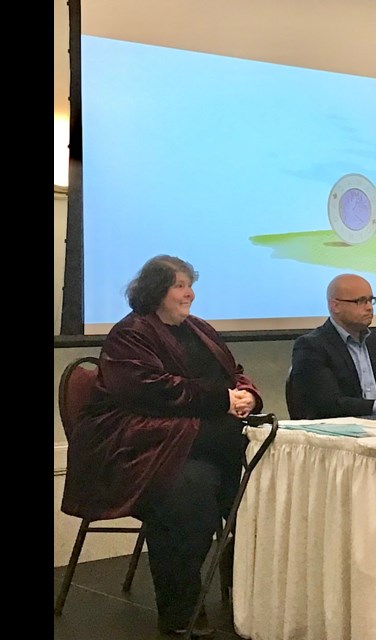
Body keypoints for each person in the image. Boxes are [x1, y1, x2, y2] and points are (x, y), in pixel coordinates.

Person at [60, 255, 263, 638]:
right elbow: (147, 391)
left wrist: (246, 395)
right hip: (138, 443)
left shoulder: (199, 328)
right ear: (157, 291)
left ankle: (247, 586)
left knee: (254, 477)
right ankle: (181, 609)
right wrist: (222, 399)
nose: (190, 293)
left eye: (190, 285)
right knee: (193, 493)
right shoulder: (129, 334)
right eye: (180, 286)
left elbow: (233, 373)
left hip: (197, 440)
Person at [288, 273, 376, 418]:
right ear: (335, 306)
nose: (369, 308)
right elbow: (328, 404)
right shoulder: (311, 346)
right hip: (342, 431)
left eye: (371, 300)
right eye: (361, 301)